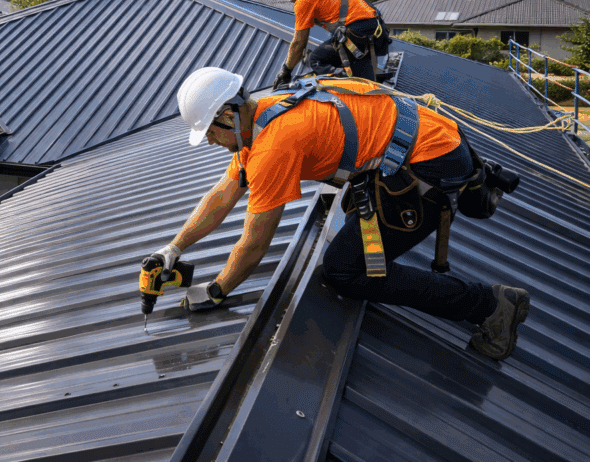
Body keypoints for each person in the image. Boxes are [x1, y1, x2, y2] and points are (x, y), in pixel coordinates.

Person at [148, 67, 529, 361]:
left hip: (431, 162)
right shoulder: (261, 114)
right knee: (354, 245)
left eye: (210, 133)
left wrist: (216, 291)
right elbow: (225, 192)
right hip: (419, 142)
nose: (210, 141)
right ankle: (489, 301)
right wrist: (173, 249)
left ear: (228, 117)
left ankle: (492, 305)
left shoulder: (275, 145)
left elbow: (254, 243)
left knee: (345, 271)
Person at [265, 0, 391, 86]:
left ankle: (350, 83)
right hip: (376, 28)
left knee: (316, 60)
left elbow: (299, 43)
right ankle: (362, 76)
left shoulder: (304, 0)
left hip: (357, 34)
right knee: (340, 53)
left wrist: (286, 71)